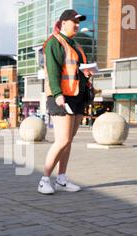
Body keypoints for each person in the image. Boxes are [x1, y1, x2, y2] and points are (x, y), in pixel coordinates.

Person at [37, 9, 94, 194]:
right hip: (61, 96)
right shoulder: (54, 42)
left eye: (79, 22)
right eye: (74, 22)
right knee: (62, 140)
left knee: (68, 141)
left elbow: (74, 69)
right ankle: (44, 180)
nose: (77, 25)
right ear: (63, 23)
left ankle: (61, 178)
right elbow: (52, 70)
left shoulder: (75, 44)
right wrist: (57, 93)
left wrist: (86, 72)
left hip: (77, 95)